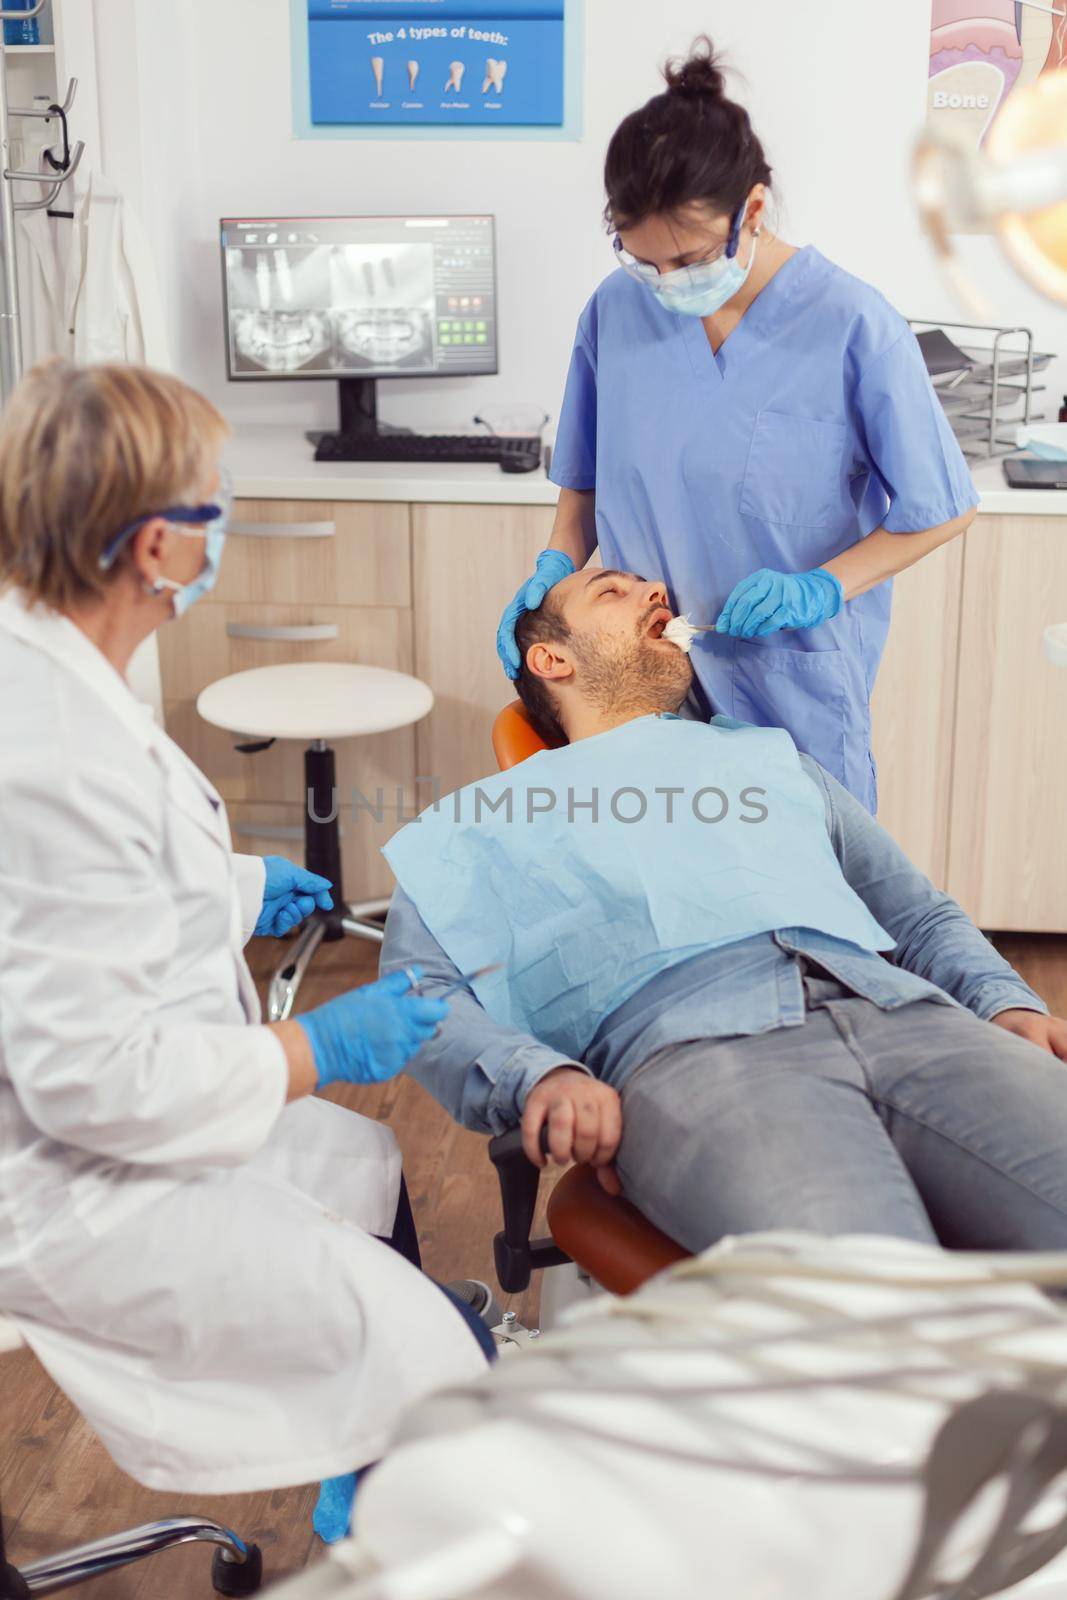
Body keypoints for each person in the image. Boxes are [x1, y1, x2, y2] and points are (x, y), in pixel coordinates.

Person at [0, 359, 494, 1502]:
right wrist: (313, 1048)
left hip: (119, 1105)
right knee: (433, 1367)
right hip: (72, 1181)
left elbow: (86, 897)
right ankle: (389, 1490)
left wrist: (232, 887)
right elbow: (92, 1081)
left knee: (364, 1164)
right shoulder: (48, 750)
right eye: (211, 499)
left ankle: (357, 1472)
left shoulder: (54, 672)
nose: (222, 520)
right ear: (151, 544)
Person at [382, 565, 1067, 1257]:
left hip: (909, 1017)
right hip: (700, 1062)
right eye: (612, 590)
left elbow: (917, 916)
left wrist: (1004, 1002)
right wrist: (537, 1076)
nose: (657, 594)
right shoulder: (475, 823)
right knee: (872, 1305)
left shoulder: (772, 762)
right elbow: (416, 996)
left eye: (652, 587)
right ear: (551, 658)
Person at [497, 37, 978, 814]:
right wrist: (550, 576)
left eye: (685, 259)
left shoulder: (851, 324)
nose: (664, 283)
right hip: (639, 682)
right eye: (641, 259)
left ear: (751, 209)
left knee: (803, 892)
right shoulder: (614, 313)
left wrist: (822, 589)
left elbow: (941, 510)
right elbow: (579, 492)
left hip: (787, 679)